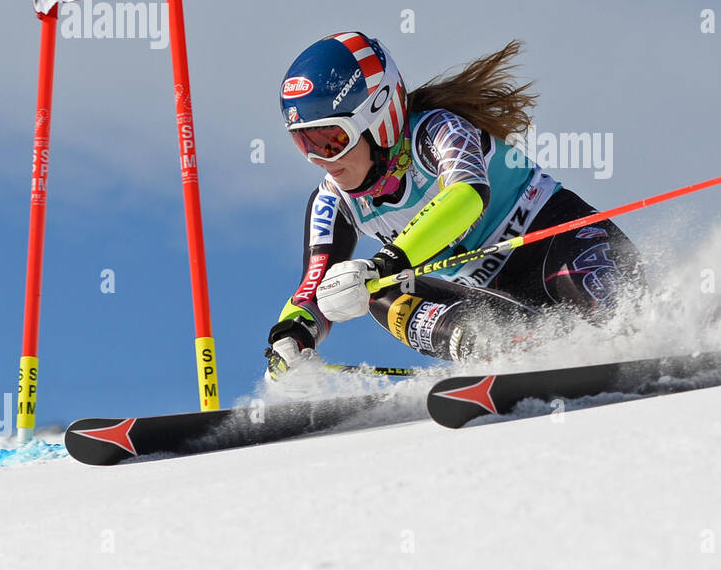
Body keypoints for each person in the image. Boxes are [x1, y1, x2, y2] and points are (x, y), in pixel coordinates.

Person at [264, 32, 645, 380]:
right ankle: (510, 354)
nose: (321, 159)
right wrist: (294, 333)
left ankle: (655, 330)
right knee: (377, 291)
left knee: (615, 314)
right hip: (496, 296)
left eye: (331, 140)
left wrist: (389, 259)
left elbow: (466, 197)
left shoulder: (437, 131)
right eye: (304, 144)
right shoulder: (333, 201)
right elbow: (314, 285)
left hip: (557, 243)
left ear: (378, 117)